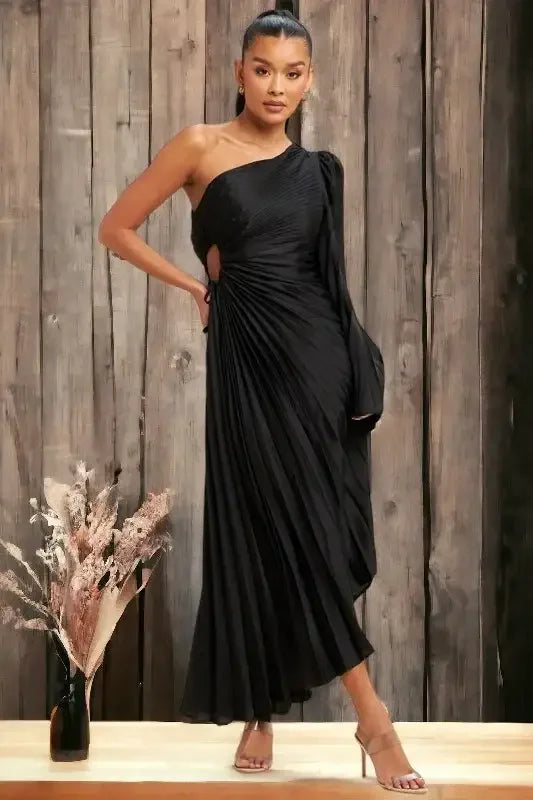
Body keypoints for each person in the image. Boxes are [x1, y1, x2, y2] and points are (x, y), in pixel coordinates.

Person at [98, 8, 426, 795]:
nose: (276, 85)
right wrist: (194, 286)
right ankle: (364, 719)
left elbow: (330, 284)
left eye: (292, 72)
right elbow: (116, 228)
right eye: (262, 68)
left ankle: (291, 711)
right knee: (258, 520)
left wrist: (354, 370)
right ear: (239, 71)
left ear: (309, 80)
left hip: (315, 361)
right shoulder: (199, 146)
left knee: (309, 527)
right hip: (245, 358)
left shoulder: (320, 173)